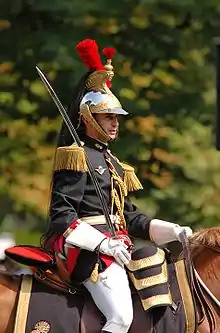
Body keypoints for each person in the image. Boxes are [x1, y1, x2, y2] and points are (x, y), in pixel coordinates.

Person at [41, 39, 192, 333]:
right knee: (121, 317)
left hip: (118, 247)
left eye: (116, 118)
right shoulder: (76, 155)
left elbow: (129, 217)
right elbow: (63, 216)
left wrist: (172, 229)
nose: (115, 124)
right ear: (88, 118)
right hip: (87, 252)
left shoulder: (113, 162)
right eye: (108, 117)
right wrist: (103, 243)